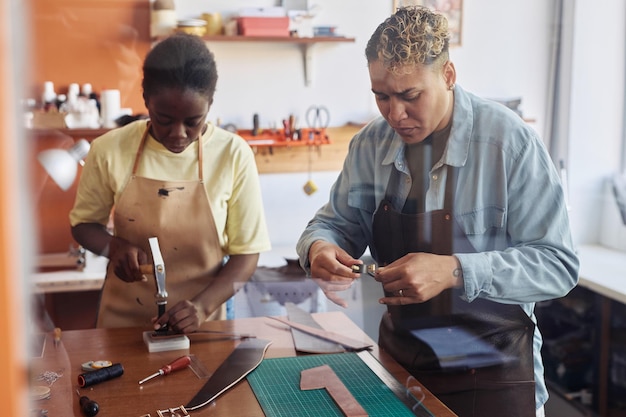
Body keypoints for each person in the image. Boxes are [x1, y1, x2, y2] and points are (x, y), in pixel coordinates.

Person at [296, 6, 578, 417]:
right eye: (381, 96)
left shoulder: (509, 143)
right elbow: (335, 223)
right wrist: (319, 247)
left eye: (410, 96)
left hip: (495, 377)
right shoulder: (369, 145)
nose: (395, 114)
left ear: (448, 74)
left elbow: (558, 265)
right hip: (400, 369)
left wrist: (454, 270)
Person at [70, 33, 271, 333]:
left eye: (193, 121)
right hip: (123, 323)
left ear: (210, 104)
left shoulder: (232, 154)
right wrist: (114, 246)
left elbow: (246, 254)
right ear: (146, 101)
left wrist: (201, 307)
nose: (178, 133)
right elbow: (83, 225)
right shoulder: (110, 149)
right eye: (164, 118)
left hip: (204, 323)